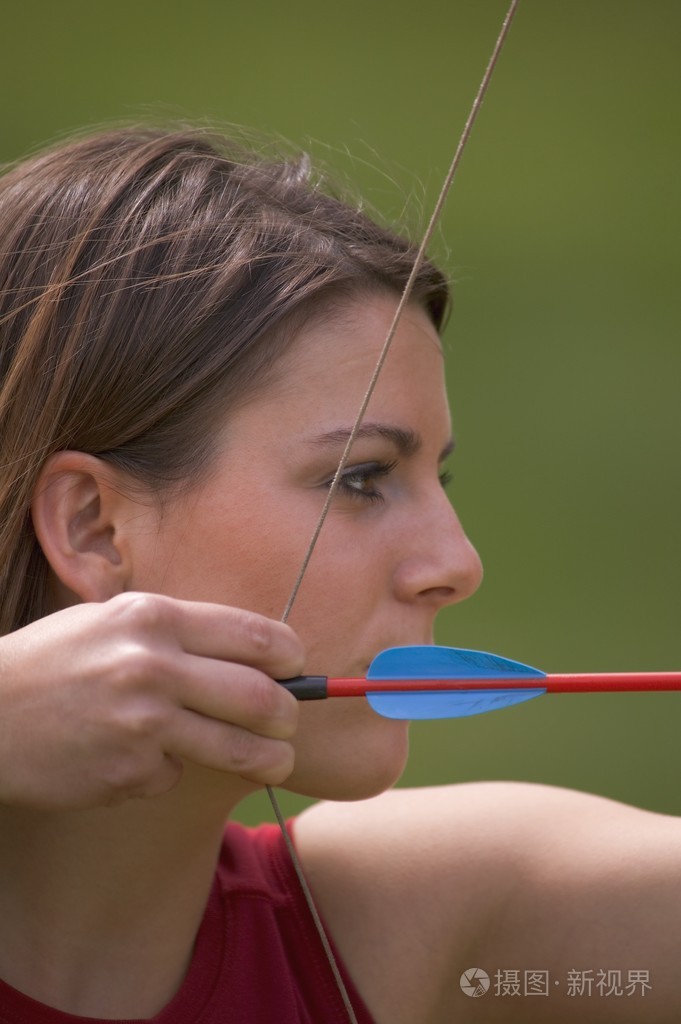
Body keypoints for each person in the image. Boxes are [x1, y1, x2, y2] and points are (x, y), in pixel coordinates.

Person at [0, 127, 677, 1024]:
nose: (456, 565)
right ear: (93, 526)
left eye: (436, 479)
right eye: (360, 478)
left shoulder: (417, 920)